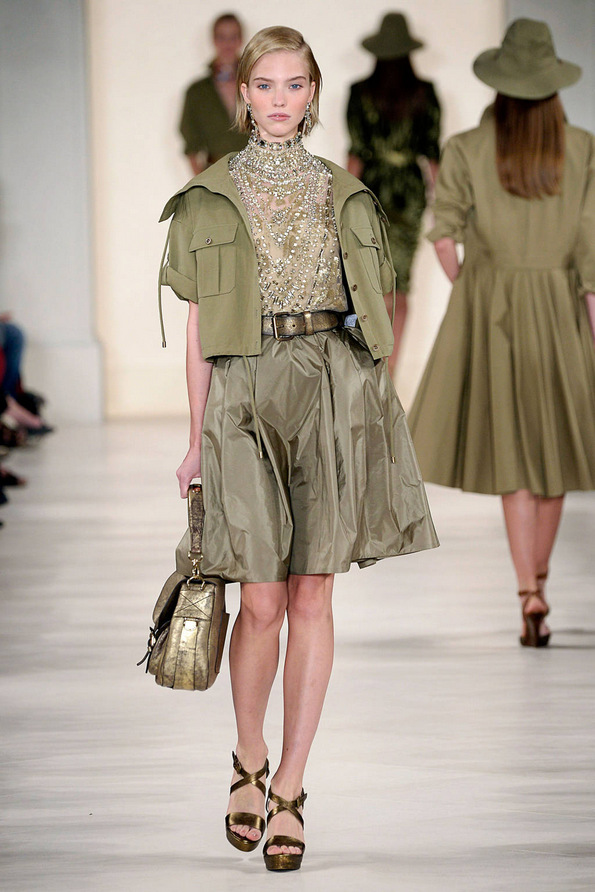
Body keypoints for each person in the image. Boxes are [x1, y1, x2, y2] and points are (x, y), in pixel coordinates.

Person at [159, 25, 438, 872]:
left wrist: (375, 418)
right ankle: (247, 759)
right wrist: (195, 438)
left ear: (313, 93)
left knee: (313, 593)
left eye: (294, 84)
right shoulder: (208, 198)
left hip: (327, 386)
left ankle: (289, 786)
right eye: (264, 85)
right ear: (242, 95)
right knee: (262, 599)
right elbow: (198, 327)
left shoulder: (343, 193)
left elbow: (372, 316)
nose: (279, 100)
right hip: (242, 389)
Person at [408, 19, 595, 647]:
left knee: (514, 456)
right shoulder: (582, 149)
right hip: (561, 309)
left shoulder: (466, 148)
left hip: (494, 311)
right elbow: (592, 252)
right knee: (555, 456)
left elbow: (443, 232)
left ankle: (525, 591)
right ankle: (540, 581)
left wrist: (471, 285)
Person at [347, 12, 441, 376]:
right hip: (409, 193)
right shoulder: (424, 93)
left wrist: (341, 202)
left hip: (370, 190)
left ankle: (373, 372)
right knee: (399, 286)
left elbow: (356, 153)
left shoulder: (360, 93)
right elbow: (432, 154)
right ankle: (390, 374)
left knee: (372, 285)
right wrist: (445, 205)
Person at [179, 13, 248, 175]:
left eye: (233, 37)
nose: (227, 44)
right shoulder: (197, 92)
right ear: (214, 40)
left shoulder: (257, 87)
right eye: (222, 37)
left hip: (254, 175)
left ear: (241, 40)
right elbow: (191, 145)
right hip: (213, 175)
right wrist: (200, 182)